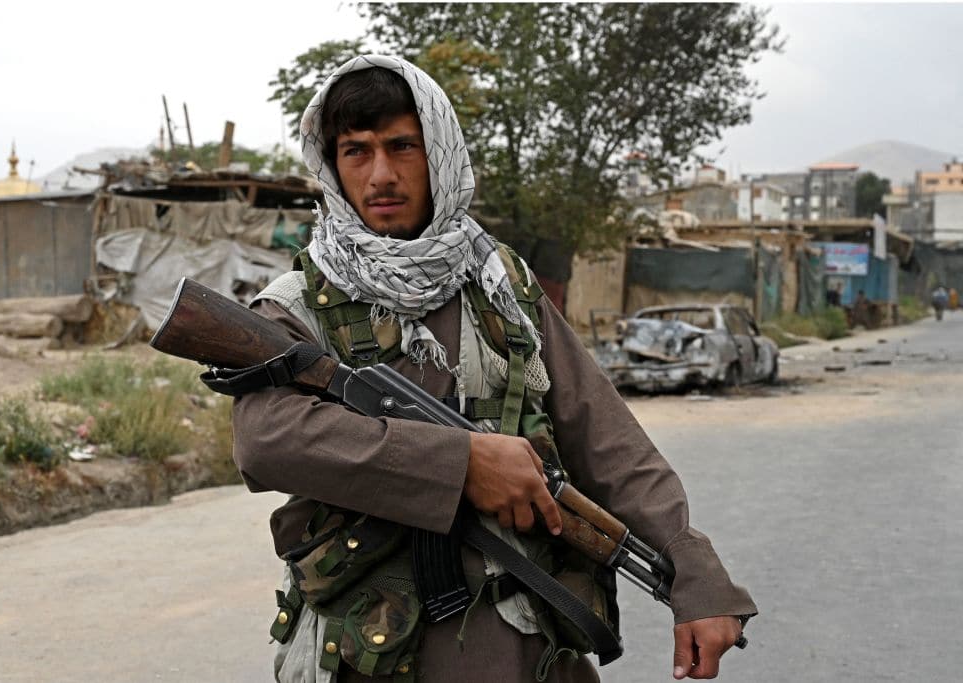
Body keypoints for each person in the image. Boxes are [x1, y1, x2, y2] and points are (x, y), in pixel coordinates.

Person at [231, 55, 756, 683]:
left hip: (525, 649)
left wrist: (691, 565)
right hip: (365, 654)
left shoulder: (500, 285)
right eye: (355, 151)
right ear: (331, 163)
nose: (381, 175)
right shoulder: (295, 305)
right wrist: (463, 464)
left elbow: (603, 438)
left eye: (404, 147)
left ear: (441, 154)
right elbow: (266, 440)